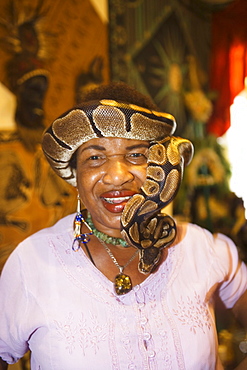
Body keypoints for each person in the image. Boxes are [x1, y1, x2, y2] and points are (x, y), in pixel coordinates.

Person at [0, 82, 246, 370]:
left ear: (158, 167)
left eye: (136, 155)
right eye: (95, 157)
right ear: (75, 175)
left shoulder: (200, 247)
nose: (117, 177)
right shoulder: (31, 262)